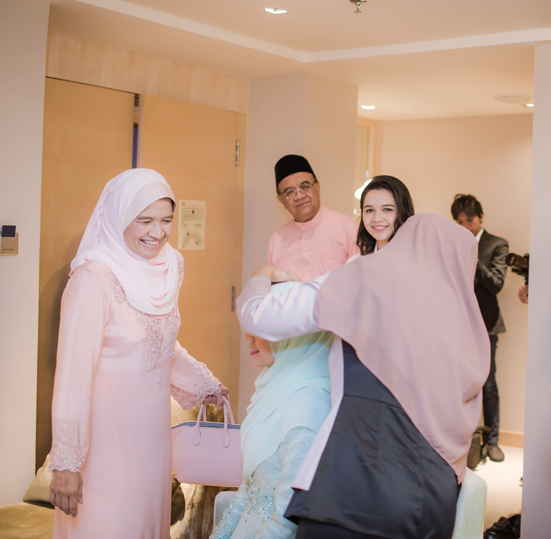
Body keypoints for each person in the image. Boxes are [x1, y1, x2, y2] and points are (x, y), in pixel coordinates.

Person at [236, 214, 490, 539]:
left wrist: (261, 276)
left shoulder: (366, 279)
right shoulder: (466, 330)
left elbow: (259, 316)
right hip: (432, 500)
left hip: (356, 485)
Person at [48, 169, 228, 539]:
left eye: (166, 220)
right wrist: (66, 463)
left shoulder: (170, 267)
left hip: (152, 439)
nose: (157, 232)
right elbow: (71, 378)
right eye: (144, 221)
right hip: (104, 443)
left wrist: (203, 382)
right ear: (118, 217)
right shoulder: (93, 278)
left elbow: (159, 344)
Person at [212, 283, 333, 539]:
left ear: (297, 336)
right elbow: (248, 490)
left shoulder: (308, 409)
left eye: (261, 328)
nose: (248, 337)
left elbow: (287, 521)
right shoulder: (274, 393)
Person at [452, 194, 508, 462]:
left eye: (470, 221)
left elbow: (496, 284)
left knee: (489, 384)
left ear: (481, 217)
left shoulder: (497, 244)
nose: (465, 227)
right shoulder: (452, 244)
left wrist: (473, 259)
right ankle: (464, 440)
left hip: (486, 324)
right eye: (460, 222)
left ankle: (492, 440)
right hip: (458, 323)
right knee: (460, 382)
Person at [268, 154, 359, 281]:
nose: (299, 196)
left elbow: (363, 281)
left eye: (305, 186)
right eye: (289, 192)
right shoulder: (277, 240)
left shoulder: (349, 228)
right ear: (281, 200)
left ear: (317, 187)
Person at [356, 175, 415, 255]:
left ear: (404, 211)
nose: (376, 219)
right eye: (370, 210)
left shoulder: (423, 260)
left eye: (387, 209)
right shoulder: (356, 261)